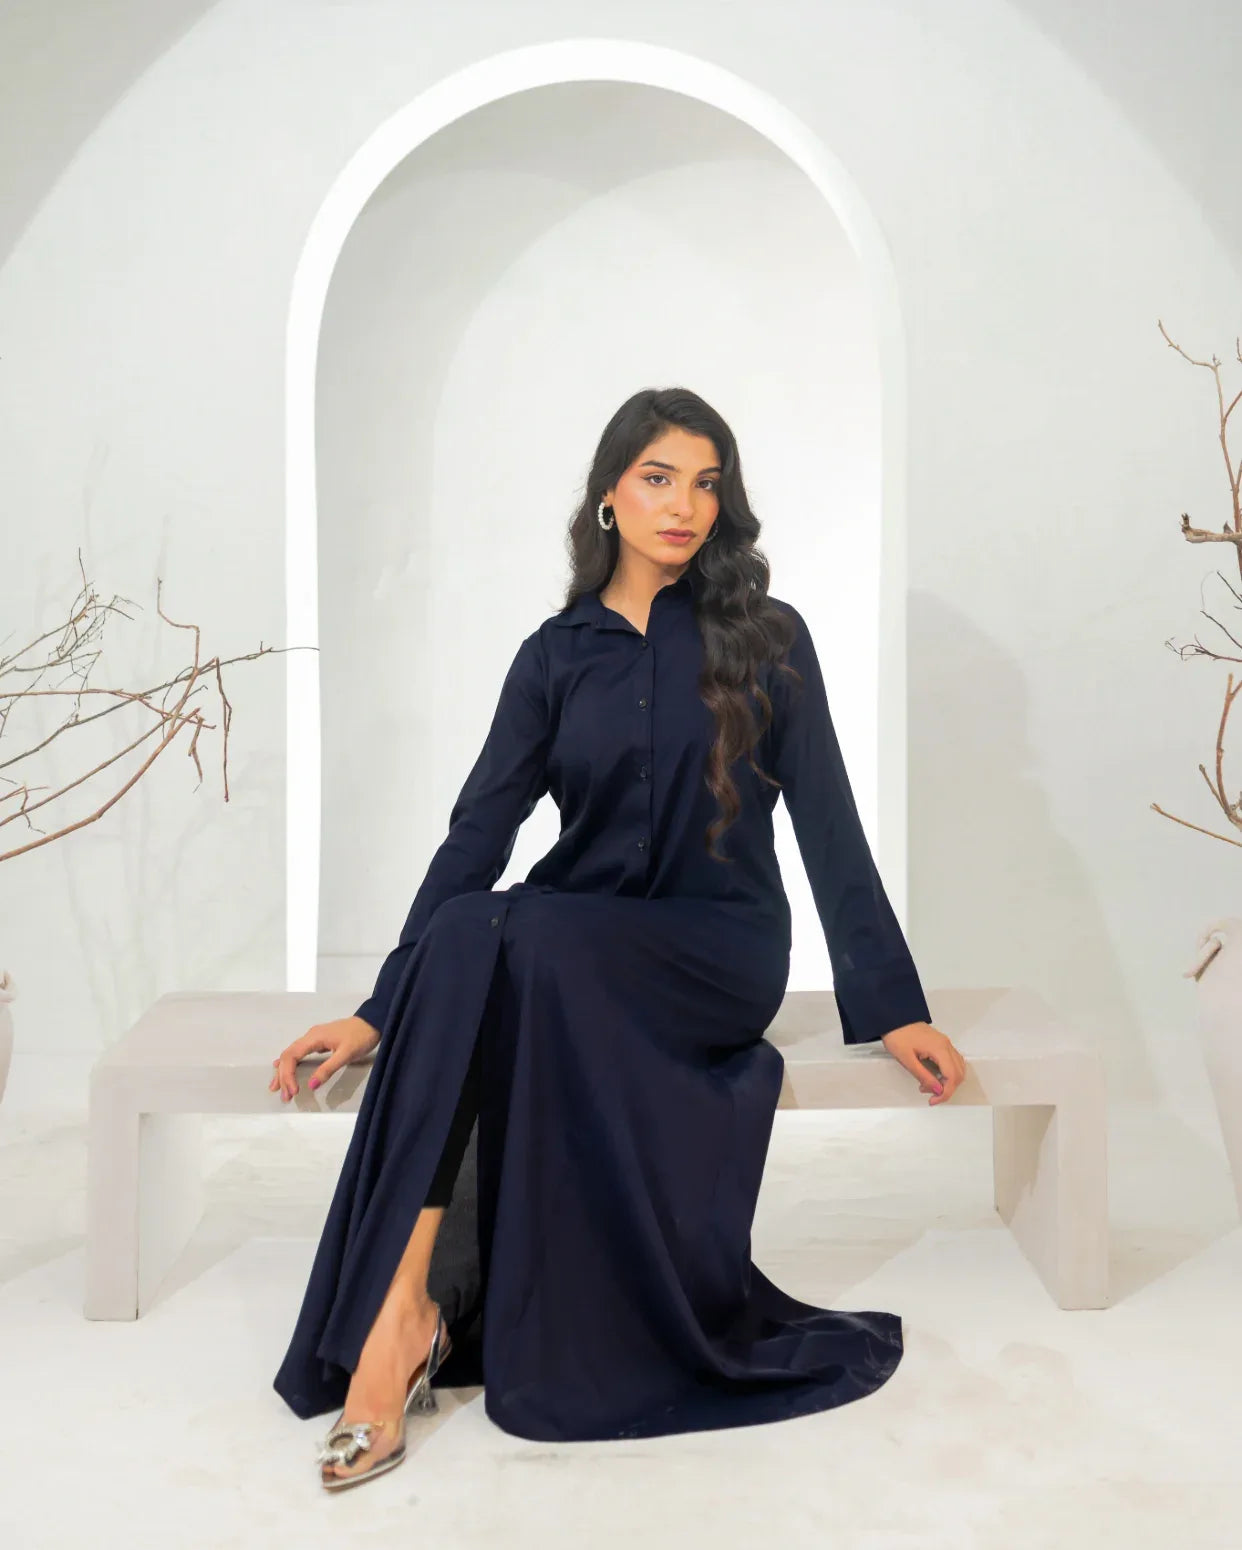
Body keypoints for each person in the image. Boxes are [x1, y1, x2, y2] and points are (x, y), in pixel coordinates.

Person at [269, 386, 967, 1490]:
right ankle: (401, 1315)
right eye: (658, 477)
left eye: (705, 480)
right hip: (568, 948)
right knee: (480, 926)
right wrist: (376, 1008)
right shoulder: (555, 657)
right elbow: (476, 835)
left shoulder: (767, 639)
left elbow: (829, 819)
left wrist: (894, 1002)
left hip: (716, 951)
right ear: (608, 495)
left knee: (511, 933)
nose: (685, 503)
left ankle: (409, 1326)